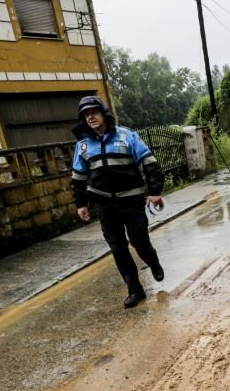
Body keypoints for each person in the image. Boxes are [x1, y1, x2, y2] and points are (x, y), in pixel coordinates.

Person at [70, 95, 165, 308]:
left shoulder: (126, 136)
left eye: (94, 112)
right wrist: (81, 204)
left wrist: (155, 191)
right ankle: (134, 290)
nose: (90, 117)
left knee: (139, 241)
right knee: (118, 248)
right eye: (86, 114)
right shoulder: (83, 145)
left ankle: (153, 261)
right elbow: (78, 177)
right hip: (104, 206)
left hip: (131, 202)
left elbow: (149, 163)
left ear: (104, 113)